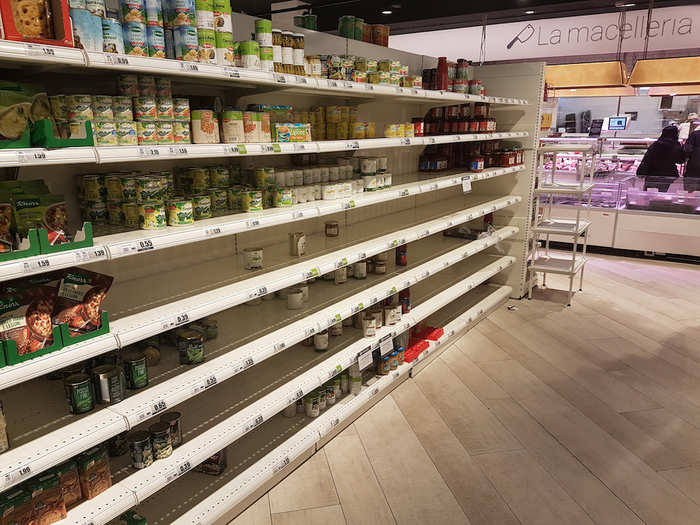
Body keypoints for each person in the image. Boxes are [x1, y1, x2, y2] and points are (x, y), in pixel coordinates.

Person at [636, 125, 685, 192]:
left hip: (652, 174)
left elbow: (647, 159)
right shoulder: (676, 146)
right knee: (661, 197)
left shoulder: (655, 144)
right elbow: (681, 160)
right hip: (668, 175)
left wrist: (641, 172)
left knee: (648, 196)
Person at [683, 126, 700, 192]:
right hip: (694, 167)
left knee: (691, 193)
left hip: (693, 168)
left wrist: (685, 158)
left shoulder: (694, 134)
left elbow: (687, 150)